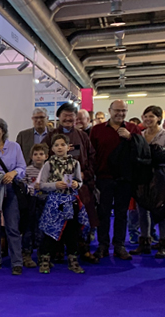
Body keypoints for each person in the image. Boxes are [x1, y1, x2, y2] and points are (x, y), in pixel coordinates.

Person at [42, 102, 99, 264]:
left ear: (76, 118)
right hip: (58, 189)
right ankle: (58, 250)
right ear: (58, 117)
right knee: (58, 220)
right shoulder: (51, 136)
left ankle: (84, 249)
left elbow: (92, 158)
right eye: (65, 115)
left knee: (82, 220)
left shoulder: (83, 136)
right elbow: (42, 157)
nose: (68, 118)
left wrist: (85, 174)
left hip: (80, 187)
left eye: (71, 116)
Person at [90, 100, 141, 260]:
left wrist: (131, 137)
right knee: (103, 213)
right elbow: (92, 154)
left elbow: (141, 150)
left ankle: (119, 245)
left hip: (125, 179)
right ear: (109, 110)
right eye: (117, 110)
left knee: (121, 214)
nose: (120, 113)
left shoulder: (133, 129)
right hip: (103, 178)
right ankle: (103, 245)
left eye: (123, 110)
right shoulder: (97, 129)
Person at [35, 134, 89, 274]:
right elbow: (41, 184)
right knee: (50, 232)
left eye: (62, 145)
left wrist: (76, 184)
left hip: (70, 202)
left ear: (68, 147)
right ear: (52, 148)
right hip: (54, 203)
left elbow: (79, 181)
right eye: (56, 145)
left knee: (72, 232)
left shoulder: (75, 163)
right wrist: (55, 185)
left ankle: (73, 260)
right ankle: (45, 260)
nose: (60, 148)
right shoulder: (48, 164)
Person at [0, 117, 26, 275]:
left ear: (3, 131)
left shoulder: (15, 147)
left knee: (12, 227)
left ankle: (17, 262)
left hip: (10, 190)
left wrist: (13, 173)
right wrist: (1, 175)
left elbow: (22, 167)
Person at [130, 105, 165, 256]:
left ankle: (163, 244)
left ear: (159, 118)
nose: (148, 119)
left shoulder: (164, 135)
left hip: (161, 177)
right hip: (142, 177)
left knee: (161, 211)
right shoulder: (141, 135)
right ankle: (144, 242)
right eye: (146, 116)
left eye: (152, 116)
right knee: (142, 210)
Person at [21, 143, 49, 267]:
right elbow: (23, 184)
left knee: (42, 229)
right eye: (35, 154)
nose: (38, 156)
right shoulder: (27, 170)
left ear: (46, 156)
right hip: (31, 201)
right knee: (29, 229)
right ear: (31, 157)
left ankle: (42, 255)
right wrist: (30, 189)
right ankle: (26, 254)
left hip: (45, 201)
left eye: (41, 154)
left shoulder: (49, 170)